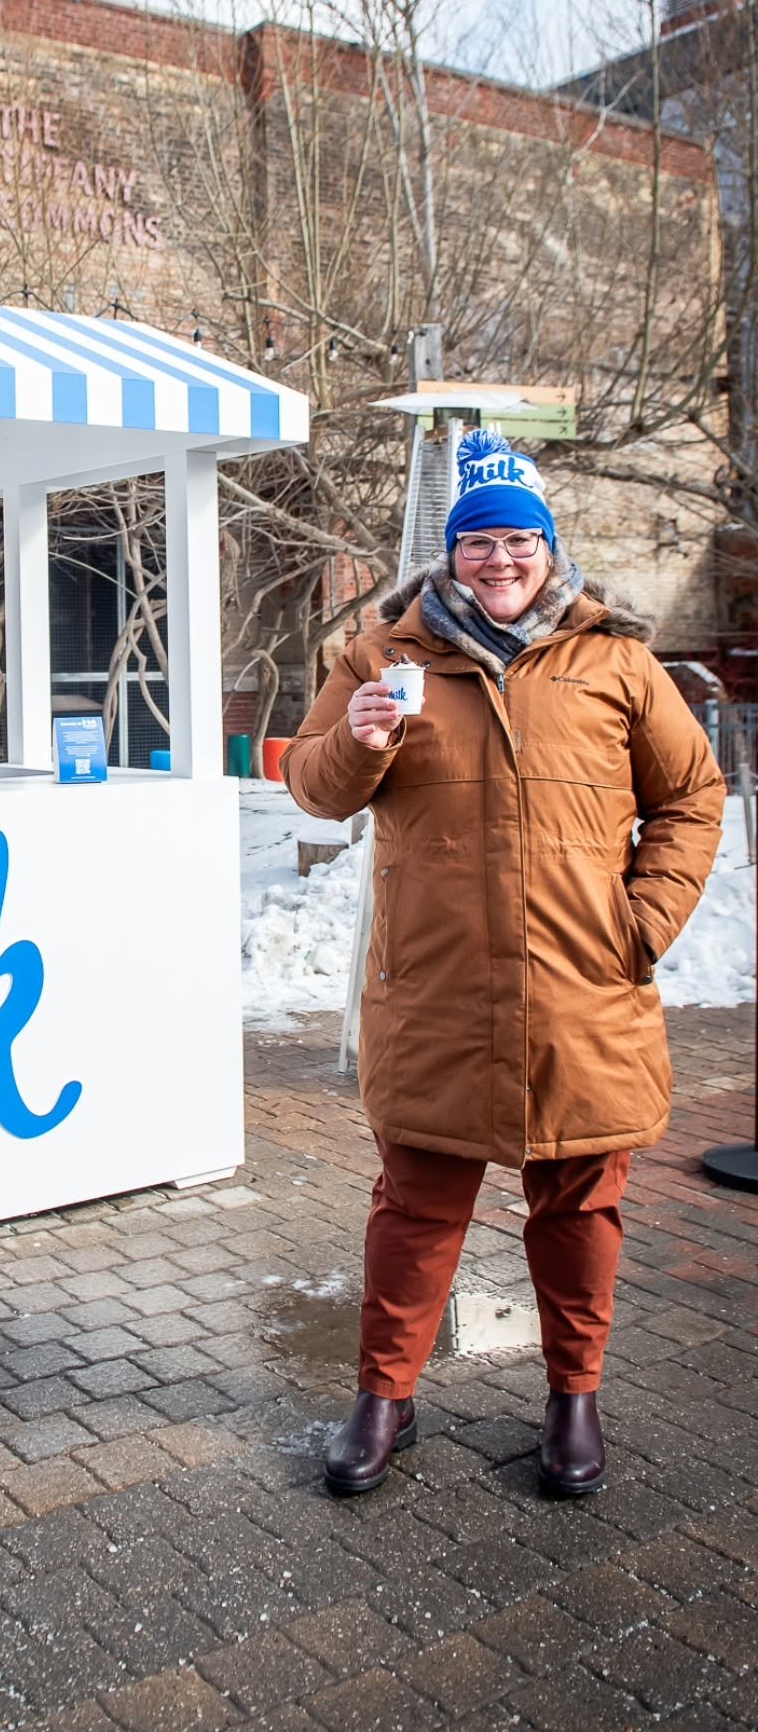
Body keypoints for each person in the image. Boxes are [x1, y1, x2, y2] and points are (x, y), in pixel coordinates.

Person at [283, 427, 725, 1500]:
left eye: (518, 538)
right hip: (436, 996)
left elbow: (692, 796)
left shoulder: (615, 660)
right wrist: (366, 742)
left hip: (584, 993)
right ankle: (384, 1398)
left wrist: (644, 920)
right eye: (478, 541)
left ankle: (574, 1396)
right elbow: (311, 783)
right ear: (451, 554)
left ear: (547, 546)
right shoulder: (383, 658)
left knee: (579, 1208)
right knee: (415, 1206)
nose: (500, 559)